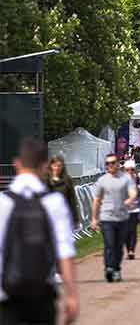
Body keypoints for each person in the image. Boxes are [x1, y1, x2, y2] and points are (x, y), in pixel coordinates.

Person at [0, 138, 78, 325]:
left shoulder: (2, 202)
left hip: (6, 295)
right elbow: (64, 252)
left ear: (16, 164)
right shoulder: (54, 203)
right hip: (42, 293)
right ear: (44, 166)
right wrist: (72, 295)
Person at [91, 153, 137, 282]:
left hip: (122, 218)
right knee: (109, 244)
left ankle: (116, 268)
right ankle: (109, 268)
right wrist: (94, 218)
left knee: (118, 246)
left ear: (118, 164)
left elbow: (133, 192)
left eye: (112, 163)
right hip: (106, 218)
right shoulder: (102, 180)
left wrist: (130, 200)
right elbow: (96, 200)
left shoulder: (126, 178)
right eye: (107, 163)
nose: (110, 165)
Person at [46, 154, 79, 229]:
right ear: (50, 165)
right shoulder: (45, 180)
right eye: (54, 165)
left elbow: (72, 200)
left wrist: (75, 219)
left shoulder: (67, 180)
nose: (57, 168)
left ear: (63, 167)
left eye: (59, 166)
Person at [123, 159, 140, 259]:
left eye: (132, 170)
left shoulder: (136, 179)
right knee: (125, 232)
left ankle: (131, 251)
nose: (130, 171)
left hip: (135, 208)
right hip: (124, 209)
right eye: (128, 170)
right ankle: (128, 249)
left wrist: (139, 188)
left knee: (133, 230)